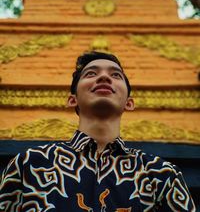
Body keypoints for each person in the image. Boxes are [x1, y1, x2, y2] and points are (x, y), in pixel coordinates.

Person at [0, 51, 196, 211]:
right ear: (72, 100)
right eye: (91, 73)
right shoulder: (29, 164)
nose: (104, 77)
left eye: (115, 75)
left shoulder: (161, 174)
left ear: (129, 103)